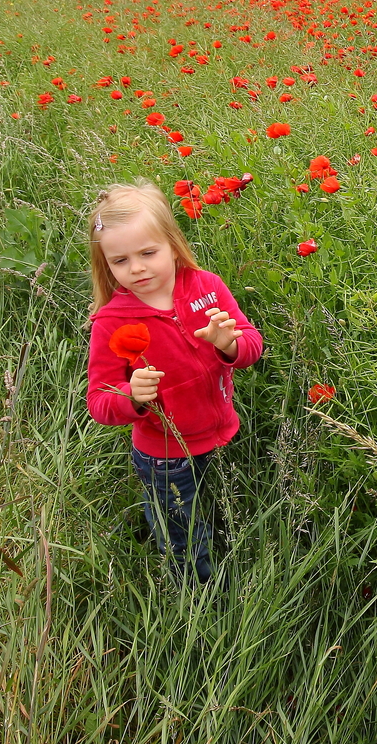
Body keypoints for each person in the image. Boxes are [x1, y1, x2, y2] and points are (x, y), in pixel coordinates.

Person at [85, 179, 263, 586]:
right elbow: (100, 401)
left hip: (216, 431)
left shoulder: (206, 287)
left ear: (172, 243)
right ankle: (200, 599)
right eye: (120, 260)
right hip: (164, 454)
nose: (138, 268)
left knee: (210, 508)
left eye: (148, 253)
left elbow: (253, 346)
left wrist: (228, 345)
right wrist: (132, 397)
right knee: (184, 535)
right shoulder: (112, 322)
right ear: (106, 265)